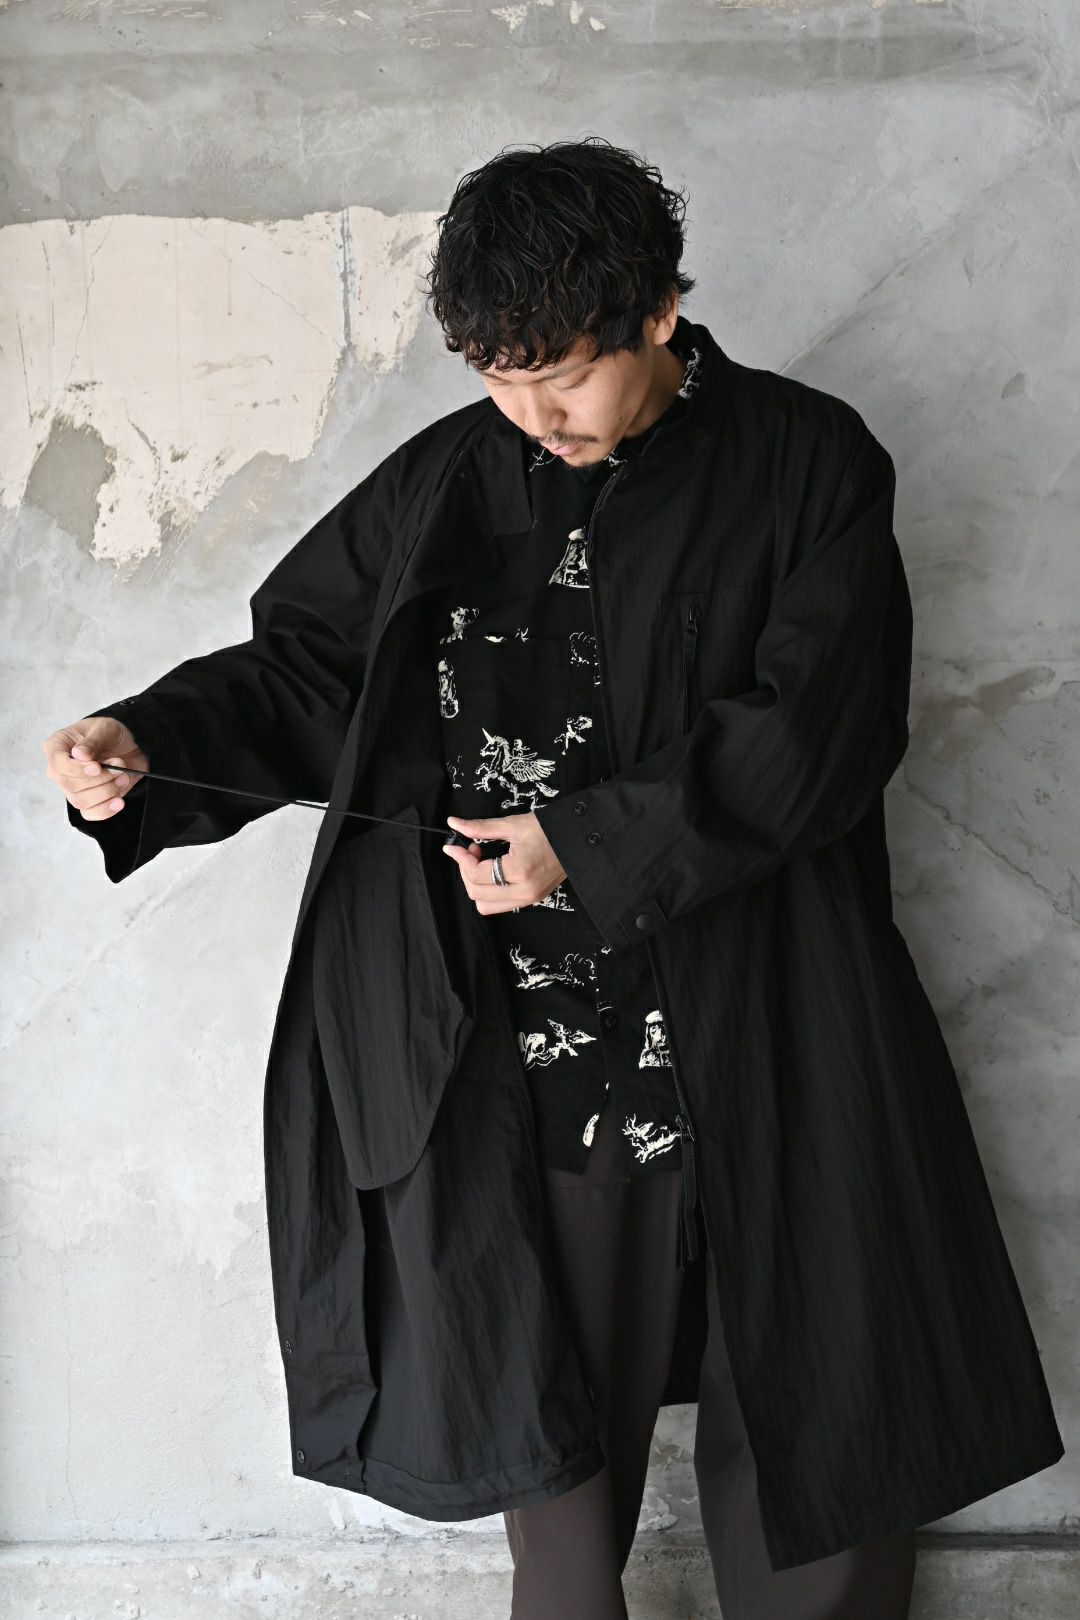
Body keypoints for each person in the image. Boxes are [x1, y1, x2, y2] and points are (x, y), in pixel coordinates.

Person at [44, 139, 1063, 1620]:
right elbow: (312, 669)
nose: (535, 415)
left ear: (658, 311)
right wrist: (150, 739)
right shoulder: (453, 479)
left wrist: (580, 847)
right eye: (498, 379)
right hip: (541, 1062)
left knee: (825, 1446)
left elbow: (819, 734)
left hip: (779, 1016)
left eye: (566, 378)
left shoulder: (807, 462)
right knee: (556, 1472)